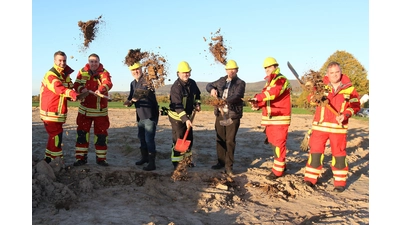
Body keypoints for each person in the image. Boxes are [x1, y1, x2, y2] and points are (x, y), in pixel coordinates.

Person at [303, 62, 360, 192]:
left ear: (341, 72)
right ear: (327, 74)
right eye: (332, 73)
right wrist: (315, 97)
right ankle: (310, 179)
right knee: (315, 154)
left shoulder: (350, 89)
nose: (335, 75)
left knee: (339, 156)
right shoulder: (321, 86)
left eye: (337, 72)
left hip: (338, 129)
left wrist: (345, 115)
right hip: (320, 127)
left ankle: (339, 183)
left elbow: (355, 105)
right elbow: (310, 98)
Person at [250, 57, 292, 180]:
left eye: (269, 67)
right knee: (274, 144)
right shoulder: (269, 82)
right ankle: (281, 165)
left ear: (275, 66)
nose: (267, 70)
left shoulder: (280, 80)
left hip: (280, 118)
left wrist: (257, 97)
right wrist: (257, 104)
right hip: (271, 119)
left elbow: (273, 93)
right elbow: (267, 100)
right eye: (265, 68)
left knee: (279, 145)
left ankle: (278, 171)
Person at [39, 51, 82, 163]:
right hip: (51, 112)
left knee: (53, 136)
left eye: (64, 60)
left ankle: (48, 159)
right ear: (54, 61)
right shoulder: (51, 75)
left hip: (57, 112)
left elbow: (69, 88)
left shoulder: (63, 75)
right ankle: (57, 162)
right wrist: (72, 94)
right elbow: (59, 88)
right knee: (56, 137)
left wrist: (78, 93)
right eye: (60, 60)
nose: (62, 63)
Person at [206, 60, 246, 176]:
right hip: (220, 115)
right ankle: (221, 162)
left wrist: (223, 101)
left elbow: (237, 96)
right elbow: (209, 85)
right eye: (229, 69)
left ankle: (229, 166)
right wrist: (212, 89)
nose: (231, 71)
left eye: (233, 69)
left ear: (237, 70)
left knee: (230, 141)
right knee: (220, 139)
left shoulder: (240, 83)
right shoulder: (221, 80)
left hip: (232, 116)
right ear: (226, 70)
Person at [72, 53, 113, 167]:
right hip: (84, 110)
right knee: (81, 135)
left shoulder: (104, 72)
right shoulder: (82, 71)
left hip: (100, 111)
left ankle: (101, 159)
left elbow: (108, 83)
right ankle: (80, 158)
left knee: (101, 136)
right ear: (88, 62)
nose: (93, 63)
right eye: (91, 61)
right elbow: (76, 84)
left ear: (99, 62)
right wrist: (82, 89)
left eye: (96, 61)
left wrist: (100, 90)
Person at [123, 62, 159, 171]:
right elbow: (131, 97)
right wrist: (128, 102)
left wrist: (134, 99)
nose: (135, 72)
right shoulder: (133, 83)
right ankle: (145, 158)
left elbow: (142, 91)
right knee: (142, 138)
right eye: (133, 70)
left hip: (149, 115)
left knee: (149, 139)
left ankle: (152, 163)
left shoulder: (147, 81)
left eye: (137, 69)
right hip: (140, 116)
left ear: (141, 68)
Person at [167, 61, 201, 169]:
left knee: (189, 139)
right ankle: (177, 164)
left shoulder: (192, 83)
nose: (186, 74)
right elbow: (177, 106)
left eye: (187, 72)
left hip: (188, 116)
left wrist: (197, 104)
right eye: (183, 72)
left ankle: (187, 161)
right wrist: (185, 119)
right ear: (178, 73)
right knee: (179, 139)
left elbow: (198, 95)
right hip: (177, 117)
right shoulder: (176, 88)